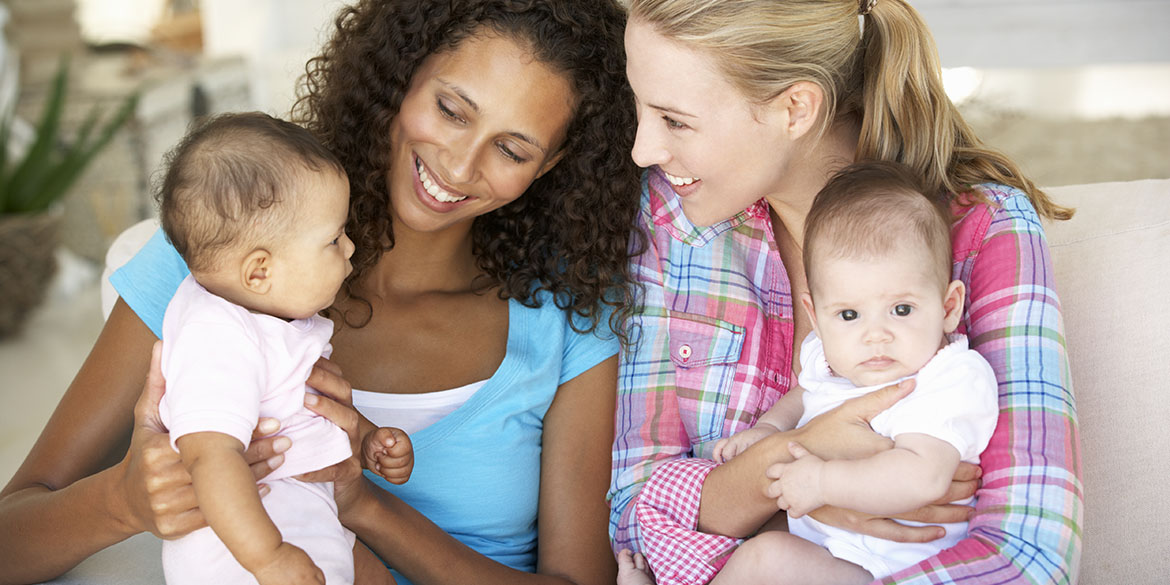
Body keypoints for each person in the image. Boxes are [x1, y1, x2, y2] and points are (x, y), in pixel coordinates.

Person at [0, 1, 639, 585]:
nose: (460, 166)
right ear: (404, 74)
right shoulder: (218, 258)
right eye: (450, 110)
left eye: (511, 148)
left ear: (552, 163)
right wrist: (121, 502)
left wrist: (363, 505)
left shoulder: (569, 309)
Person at [609, 1, 1082, 584]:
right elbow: (634, 519)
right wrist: (793, 475)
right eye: (639, 108)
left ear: (795, 108)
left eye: (675, 121)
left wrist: (753, 503)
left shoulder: (985, 229)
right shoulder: (668, 221)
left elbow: (1028, 556)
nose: (642, 150)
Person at [151, 112, 412, 585]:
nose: (351, 249)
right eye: (333, 239)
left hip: (314, 526)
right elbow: (210, 458)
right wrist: (268, 558)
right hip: (243, 555)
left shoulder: (274, 318)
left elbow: (303, 406)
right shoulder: (217, 336)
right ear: (259, 272)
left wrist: (369, 439)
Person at [706, 161, 998, 584]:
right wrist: (769, 430)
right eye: (848, 314)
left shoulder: (948, 377)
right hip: (834, 553)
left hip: (895, 568)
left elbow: (925, 477)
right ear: (816, 317)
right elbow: (805, 395)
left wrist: (825, 482)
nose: (875, 335)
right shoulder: (830, 359)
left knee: (766, 559)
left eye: (901, 309)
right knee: (757, 555)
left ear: (948, 307)